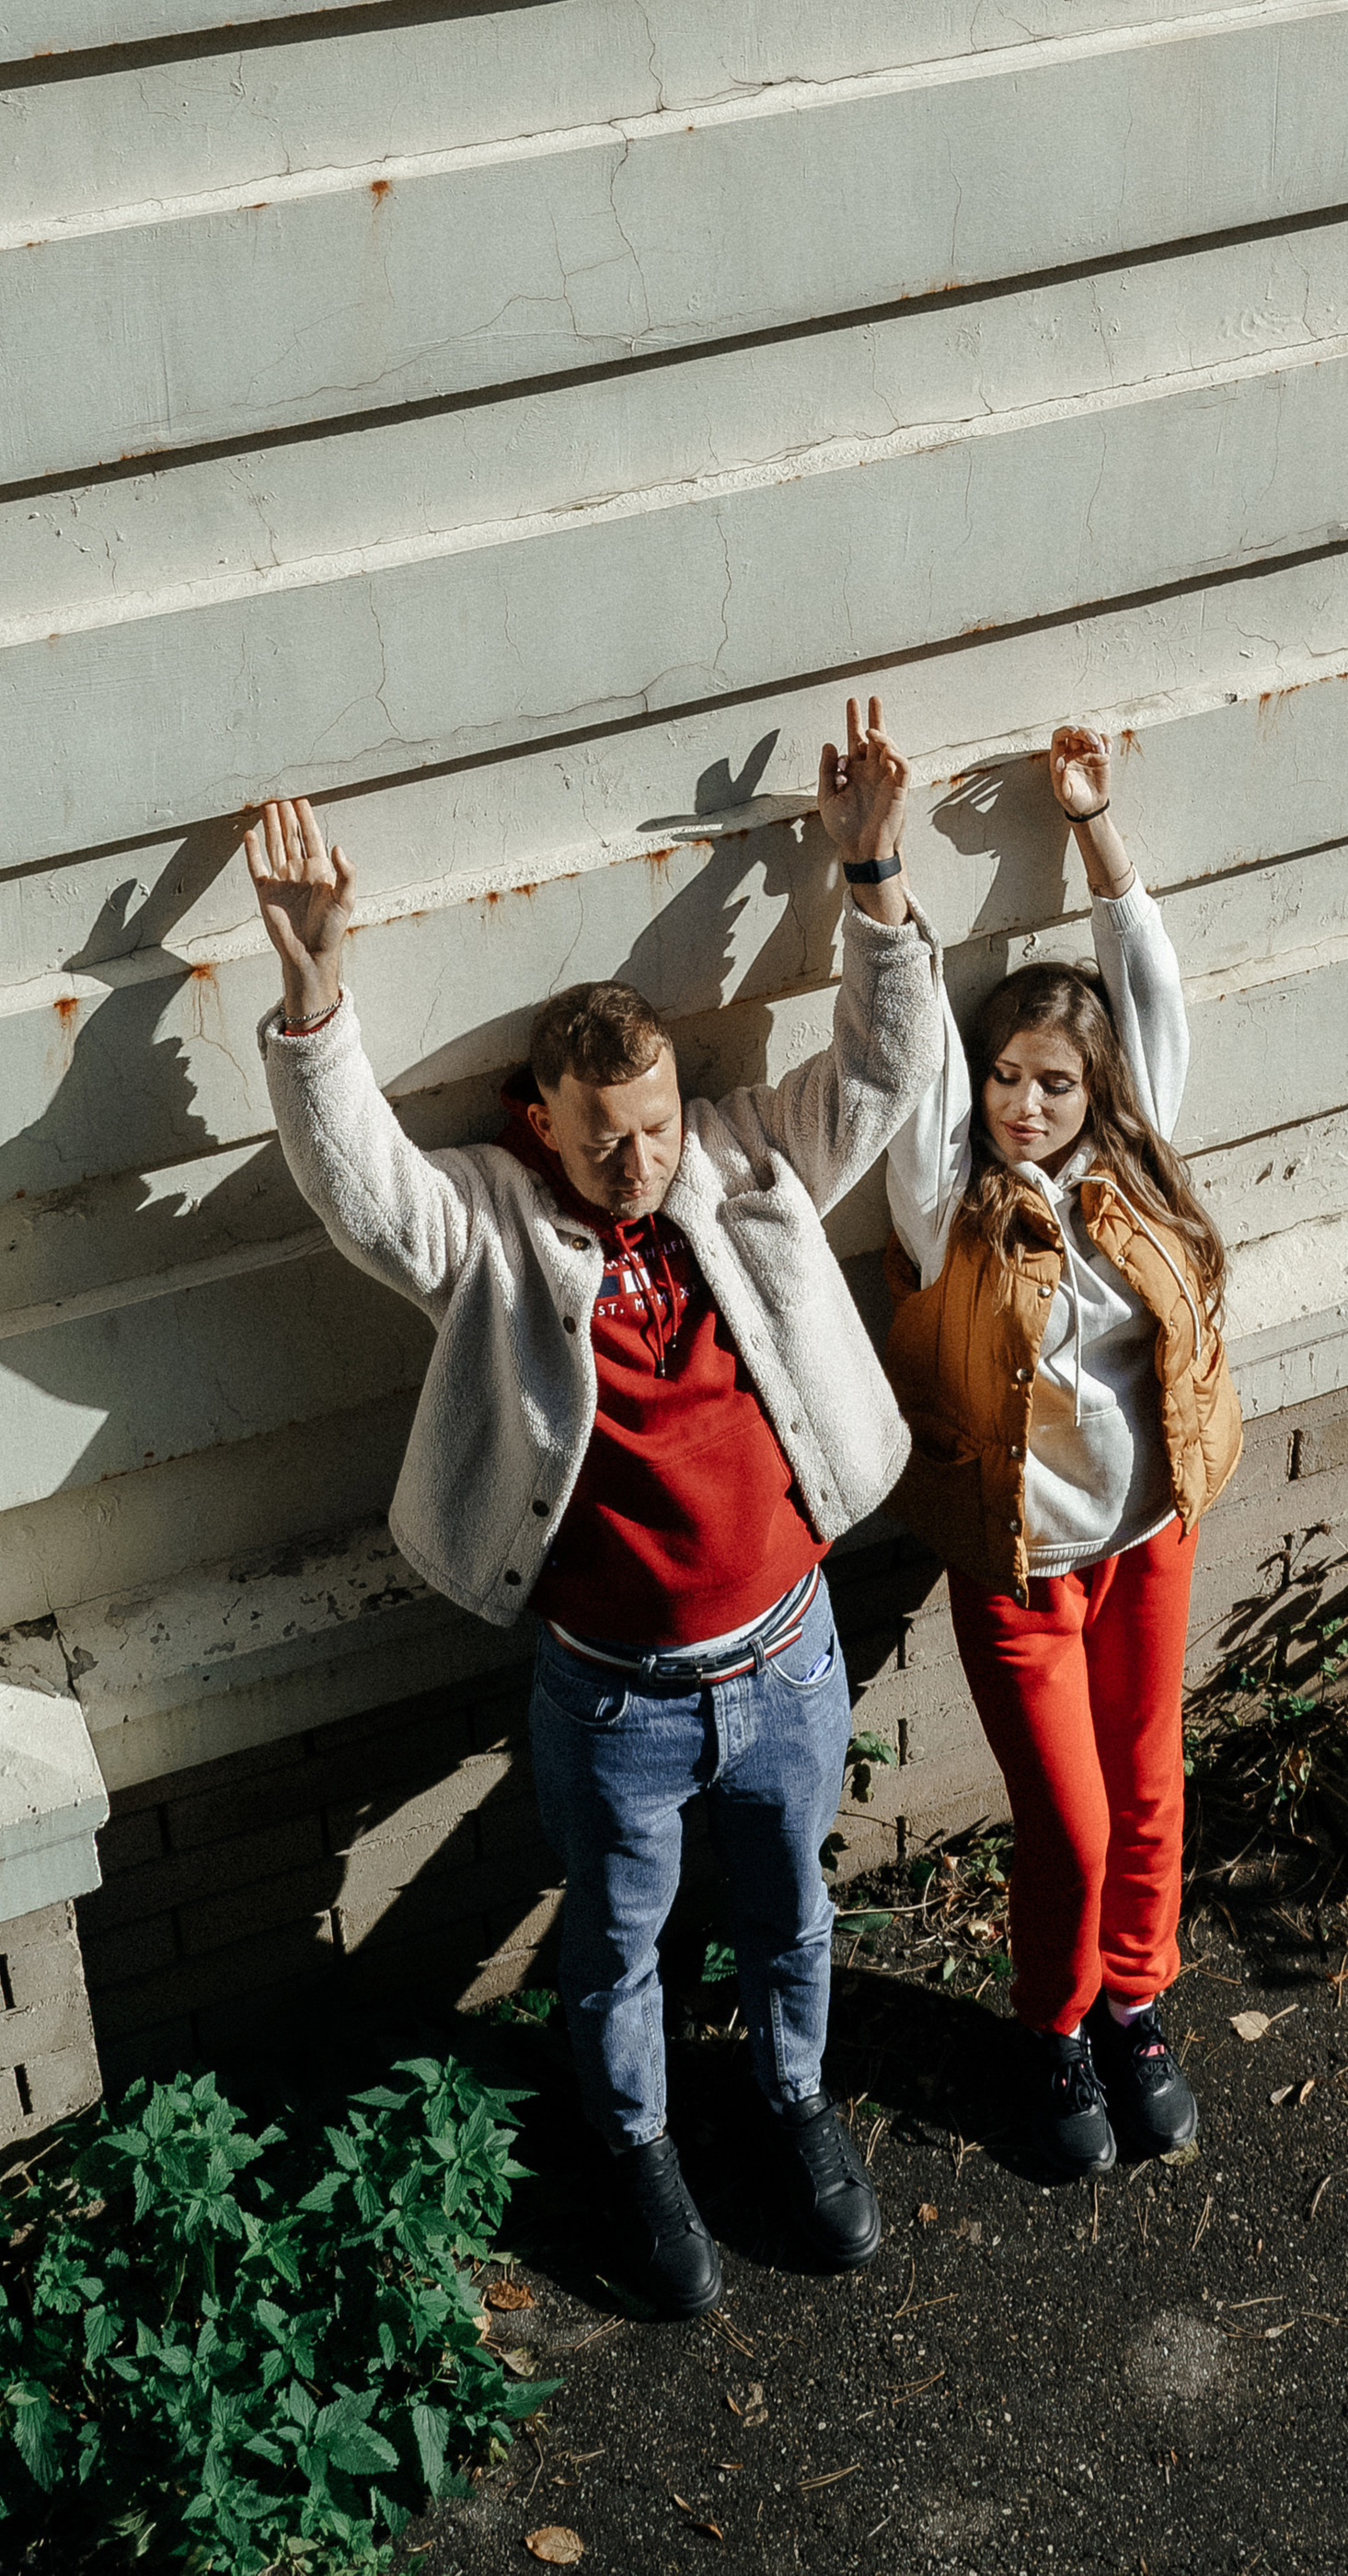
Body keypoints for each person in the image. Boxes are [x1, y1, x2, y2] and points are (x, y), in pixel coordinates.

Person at [244, 704, 939, 2318]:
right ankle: (634, 2148)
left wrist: (872, 872)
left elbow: (891, 1067)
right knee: (613, 1947)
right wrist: (314, 990)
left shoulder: (750, 1161)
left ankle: (791, 2104)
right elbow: (364, 1192)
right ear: (536, 1125)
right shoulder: (490, 1229)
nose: (635, 1162)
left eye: (653, 1126)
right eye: (600, 1136)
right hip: (614, 1698)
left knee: (790, 1913)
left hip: (788, 1661)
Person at [881, 726, 1240, 2177]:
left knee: (1151, 1781)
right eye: (1005, 1079)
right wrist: (873, 879)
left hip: (1150, 1534)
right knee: (1072, 1825)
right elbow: (899, 1063)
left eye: (1053, 1083)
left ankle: (1136, 2009)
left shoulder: (1133, 1169)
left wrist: (1094, 828)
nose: (1023, 1105)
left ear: (1098, 1094)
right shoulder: (948, 1203)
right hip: (1024, 1570)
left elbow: (1148, 993)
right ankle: (1052, 2027)